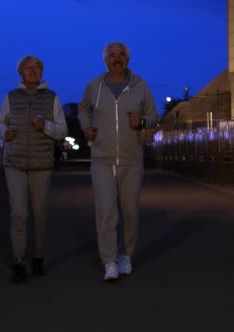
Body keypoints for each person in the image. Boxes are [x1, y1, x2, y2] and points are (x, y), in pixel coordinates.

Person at [78, 41, 159, 281]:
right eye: (112, 55)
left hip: (131, 159)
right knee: (106, 211)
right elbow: (83, 110)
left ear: (128, 59)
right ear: (105, 60)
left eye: (121, 54)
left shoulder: (140, 85)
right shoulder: (94, 86)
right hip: (101, 158)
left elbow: (154, 115)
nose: (117, 58)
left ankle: (127, 255)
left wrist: (142, 122)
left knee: (130, 211)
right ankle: (109, 261)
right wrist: (86, 128)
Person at [0, 55, 68, 284]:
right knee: (19, 212)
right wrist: (3, 133)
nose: (32, 71)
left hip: (41, 164)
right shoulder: (11, 97)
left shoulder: (52, 98)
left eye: (36, 68)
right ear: (20, 72)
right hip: (14, 162)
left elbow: (62, 131)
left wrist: (44, 125)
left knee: (39, 213)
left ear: (42, 72)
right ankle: (19, 261)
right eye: (27, 68)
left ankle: (37, 257)